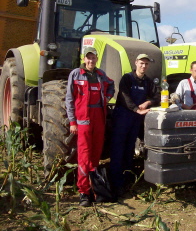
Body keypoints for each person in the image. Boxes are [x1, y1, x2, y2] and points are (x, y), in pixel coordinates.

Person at [66, 46, 115, 207]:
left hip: (99, 119)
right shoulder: (76, 74)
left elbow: (112, 85)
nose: (91, 60)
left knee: (95, 155)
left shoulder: (101, 75)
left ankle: (95, 189)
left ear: (96, 59)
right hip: (83, 120)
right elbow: (69, 100)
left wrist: (107, 98)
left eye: (93, 58)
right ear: (83, 58)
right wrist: (73, 122)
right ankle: (83, 192)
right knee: (84, 157)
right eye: (88, 58)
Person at [110, 53, 160, 197]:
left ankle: (127, 180)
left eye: (146, 64)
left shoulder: (148, 82)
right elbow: (125, 97)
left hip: (135, 120)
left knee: (129, 148)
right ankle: (116, 183)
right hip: (123, 117)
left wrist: (148, 102)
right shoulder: (127, 79)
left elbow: (157, 96)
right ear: (136, 63)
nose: (143, 66)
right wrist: (137, 109)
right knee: (118, 149)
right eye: (141, 63)